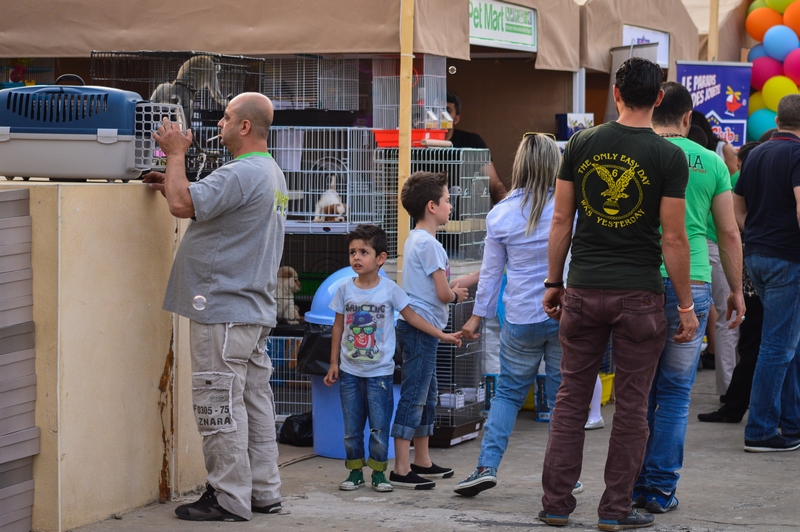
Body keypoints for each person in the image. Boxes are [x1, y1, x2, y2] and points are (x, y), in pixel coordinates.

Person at [538, 57, 698, 531]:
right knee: (631, 406)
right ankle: (614, 510)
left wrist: (553, 282)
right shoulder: (669, 156)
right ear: (660, 98)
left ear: (615, 94)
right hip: (640, 297)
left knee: (570, 399)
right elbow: (673, 239)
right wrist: (686, 305)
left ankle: (555, 505)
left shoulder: (583, 143)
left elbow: (562, 220)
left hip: (583, 289)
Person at [143, 93, 287, 521]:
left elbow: (181, 204)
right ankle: (264, 491)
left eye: (226, 117)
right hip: (250, 309)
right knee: (254, 403)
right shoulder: (271, 173)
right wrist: (172, 174)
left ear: (244, 127)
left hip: (222, 310)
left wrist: (175, 155)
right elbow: (194, 196)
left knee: (217, 403)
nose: (219, 124)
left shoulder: (242, 172)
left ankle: (227, 497)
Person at [634, 82, 744, 514]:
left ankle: (633, 483)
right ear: (687, 116)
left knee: (638, 391)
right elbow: (729, 232)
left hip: (639, 281)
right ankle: (660, 489)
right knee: (676, 393)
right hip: (694, 283)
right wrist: (735, 289)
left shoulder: (638, 151)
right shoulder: (712, 162)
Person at [452, 133, 564, 497]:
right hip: (564, 315)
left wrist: (475, 317)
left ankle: (486, 466)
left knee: (507, 396)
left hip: (520, 317)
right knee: (565, 396)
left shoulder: (500, 214)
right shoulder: (570, 209)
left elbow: (489, 273)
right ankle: (566, 474)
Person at [323, 224, 461, 493]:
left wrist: (442, 335)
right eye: (352, 252)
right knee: (351, 429)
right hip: (350, 373)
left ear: (381, 258)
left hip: (380, 375)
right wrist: (333, 363)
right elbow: (337, 327)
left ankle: (378, 473)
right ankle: (354, 473)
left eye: (364, 252)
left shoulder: (390, 290)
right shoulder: (344, 290)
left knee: (379, 427)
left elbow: (412, 318)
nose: (356, 258)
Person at [389, 171, 470, 489]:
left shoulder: (416, 239)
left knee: (427, 395)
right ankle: (400, 467)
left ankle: (421, 460)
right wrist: (455, 295)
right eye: (448, 200)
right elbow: (442, 293)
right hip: (422, 333)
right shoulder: (431, 245)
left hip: (420, 332)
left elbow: (432, 287)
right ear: (432, 206)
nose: (451, 206)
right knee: (414, 397)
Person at [733, 94, 800, 453]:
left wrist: (756, 234)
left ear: (777, 119)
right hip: (789, 258)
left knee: (789, 342)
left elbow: (736, 205)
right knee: (778, 345)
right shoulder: (797, 154)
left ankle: (792, 421)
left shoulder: (756, 153)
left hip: (757, 255)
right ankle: (760, 429)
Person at [698, 142, 763, 424]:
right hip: (725, 250)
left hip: (730, 252)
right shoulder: (736, 179)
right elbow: (730, 229)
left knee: (738, 327)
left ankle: (732, 393)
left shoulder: (738, 177)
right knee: (733, 323)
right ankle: (729, 392)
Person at [446, 90, 508, 204]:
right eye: (437, 111)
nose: (441, 116)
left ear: (457, 119)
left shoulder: (472, 142)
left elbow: (495, 185)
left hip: (461, 219)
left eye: (447, 111)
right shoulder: (419, 144)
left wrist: (507, 215)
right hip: (422, 219)